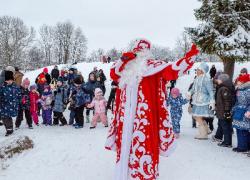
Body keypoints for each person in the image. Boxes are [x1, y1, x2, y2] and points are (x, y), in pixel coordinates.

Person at [105, 39, 199, 180]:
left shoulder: (155, 67)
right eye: (138, 50)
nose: (140, 52)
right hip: (124, 119)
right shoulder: (126, 67)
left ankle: (142, 175)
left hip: (144, 119)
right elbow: (113, 74)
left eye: (143, 50)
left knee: (144, 148)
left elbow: (173, 71)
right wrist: (122, 60)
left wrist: (188, 60)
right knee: (124, 147)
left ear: (148, 52)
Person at [188, 62, 215, 140]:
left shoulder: (206, 80)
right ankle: (206, 129)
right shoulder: (197, 78)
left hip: (203, 101)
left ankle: (203, 134)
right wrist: (189, 92)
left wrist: (212, 101)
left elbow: (210, 91)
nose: (197, 71)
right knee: (195, 116)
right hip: (196, 100)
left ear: (202, 70)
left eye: (198, 69)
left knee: (198, 117)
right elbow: (193, 89)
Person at [212, 74, 235, 147]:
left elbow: (227, 101)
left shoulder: (224, 88)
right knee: (224, 125)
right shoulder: (221, 87)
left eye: (219, 79)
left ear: (222, 80)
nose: (217, 80)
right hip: (222, 111)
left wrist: (227, 111)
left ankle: (227, 142)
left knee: (225, 126)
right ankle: (226, 141)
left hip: (224, 112)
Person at [232, 73, 250, 153]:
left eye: (239, 80)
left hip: (245, 112)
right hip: (239, 111)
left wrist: (249, 111)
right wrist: (233, 109)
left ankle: (243, 147)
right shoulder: (239, 89)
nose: (237, 81)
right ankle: (241, 146)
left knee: (243, 130)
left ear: (243, 81)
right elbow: (237, 102)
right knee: (239, 129)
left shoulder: (248, 90)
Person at [0, 70, 21, 136]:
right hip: (4, 105)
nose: (9, 81)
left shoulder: (15, 87)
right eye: (7, 80)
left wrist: (18, 101)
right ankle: (9, 129)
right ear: (5, 80)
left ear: (12, 80)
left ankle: (10, 129)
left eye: (10, 80)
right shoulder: (2, 87)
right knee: (4, 118)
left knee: (8, 118)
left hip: (12, 106)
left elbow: (19, 95)